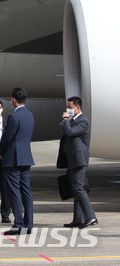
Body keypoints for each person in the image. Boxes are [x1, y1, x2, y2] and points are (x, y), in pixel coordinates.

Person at [0, 87, 34, 235]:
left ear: (14, 100)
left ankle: (18, 223)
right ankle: (29, 223)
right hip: (26, 157)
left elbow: (7, 138)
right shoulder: (30, 115)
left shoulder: (14, 117)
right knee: (26, 191)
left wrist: (0, 152)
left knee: (14, 192)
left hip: (13, 158)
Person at [57, 96, 97, 229]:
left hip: (79, 161)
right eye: (67, 108)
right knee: (75, 189)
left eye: (70, 108)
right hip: (72, 160)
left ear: (78, 107)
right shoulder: (74, 121)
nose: (68, 110)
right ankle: (78, 219)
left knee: (79, 188)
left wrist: (65, 120)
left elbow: (69, 133)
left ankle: (90, 217)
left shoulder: (83, 121)